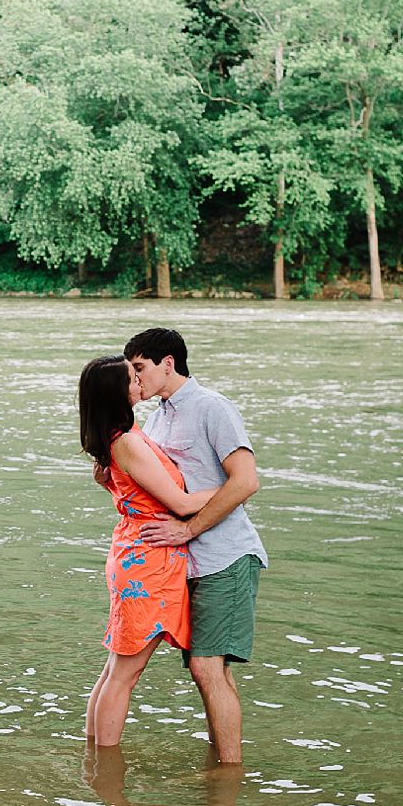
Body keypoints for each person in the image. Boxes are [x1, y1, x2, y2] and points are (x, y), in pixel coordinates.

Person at [125, 328, 266, 765]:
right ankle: (225, 765)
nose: (135, 378)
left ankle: (226, 784)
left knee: (207, 668)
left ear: (168, 362)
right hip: (186, 567)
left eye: (140, 368)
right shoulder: (157, 417)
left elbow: (246, 481)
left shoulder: (213, 407)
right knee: (211, 670)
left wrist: (188, 530)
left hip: (226, 556)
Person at [77, 354, 214, 749]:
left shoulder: (122, 437)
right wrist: (234, 489)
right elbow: (183, 504)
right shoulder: (129, 442)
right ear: (116, 392)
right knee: (124, 674)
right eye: (131, 375)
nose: (139, 379)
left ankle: (95, 762)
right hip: (147, 563)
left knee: (116, 670)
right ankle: (105, 769)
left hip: (140, 555)